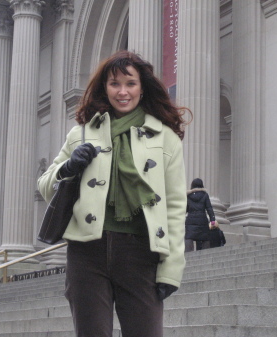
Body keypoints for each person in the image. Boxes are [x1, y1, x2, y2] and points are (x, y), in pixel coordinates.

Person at [38, 50, 190, 337]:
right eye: (114, 84)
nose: (122, 91)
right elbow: (45, 186)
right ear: (103, 88)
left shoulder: (165, 137)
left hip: (141, 252)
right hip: (87, 254)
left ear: (142, 87)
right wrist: (68, 167)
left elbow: (174, 206)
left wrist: (171, 268)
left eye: (130, 83)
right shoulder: (81, 134)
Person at [185, 178, 216, 252]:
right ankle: (205, 254)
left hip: (191, 220)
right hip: (202, 219)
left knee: (189, 237)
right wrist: (213, 220)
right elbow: (209, 208)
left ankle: (188, 254)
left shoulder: (188, 196)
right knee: (205, 238)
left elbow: (185, 209)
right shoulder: (205, 195)